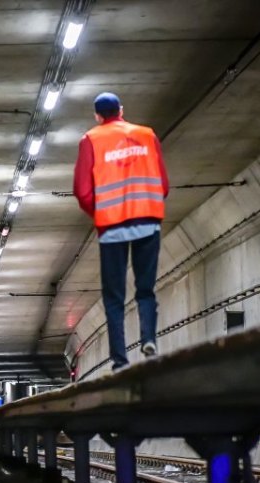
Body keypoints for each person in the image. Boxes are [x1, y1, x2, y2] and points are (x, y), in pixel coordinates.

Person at [73, 91, 169, 372]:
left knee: (114, 297)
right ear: (121, 110)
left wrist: (101, 212)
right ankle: (149, 339)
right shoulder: (147, 135)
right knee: (145, 289)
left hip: (112, 228)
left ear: (97, 115)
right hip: (147, 222)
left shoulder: (91, 139)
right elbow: (163, 184)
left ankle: (119, 360)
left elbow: (82, 191)